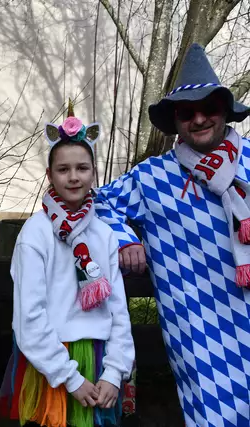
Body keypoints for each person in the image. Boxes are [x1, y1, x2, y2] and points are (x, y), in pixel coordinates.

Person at [95, 43, 250, 426]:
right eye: (186, 112)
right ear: (175, 120)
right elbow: (98, 203)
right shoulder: (151, 177)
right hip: (200, 334)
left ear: (224, 111)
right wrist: (125, 239)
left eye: (208, 108)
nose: (199, 119)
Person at [0, 110, 135, 427]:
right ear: (50, 175)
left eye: (82, 168)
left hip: (99, 362)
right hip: (51, 364)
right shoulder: (35, 234)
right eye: (63, 169)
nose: (73, 177)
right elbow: (29, 315)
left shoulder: (104, 235)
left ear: (93, 172)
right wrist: (68, 376)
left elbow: (118, 310)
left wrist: (114, 371)